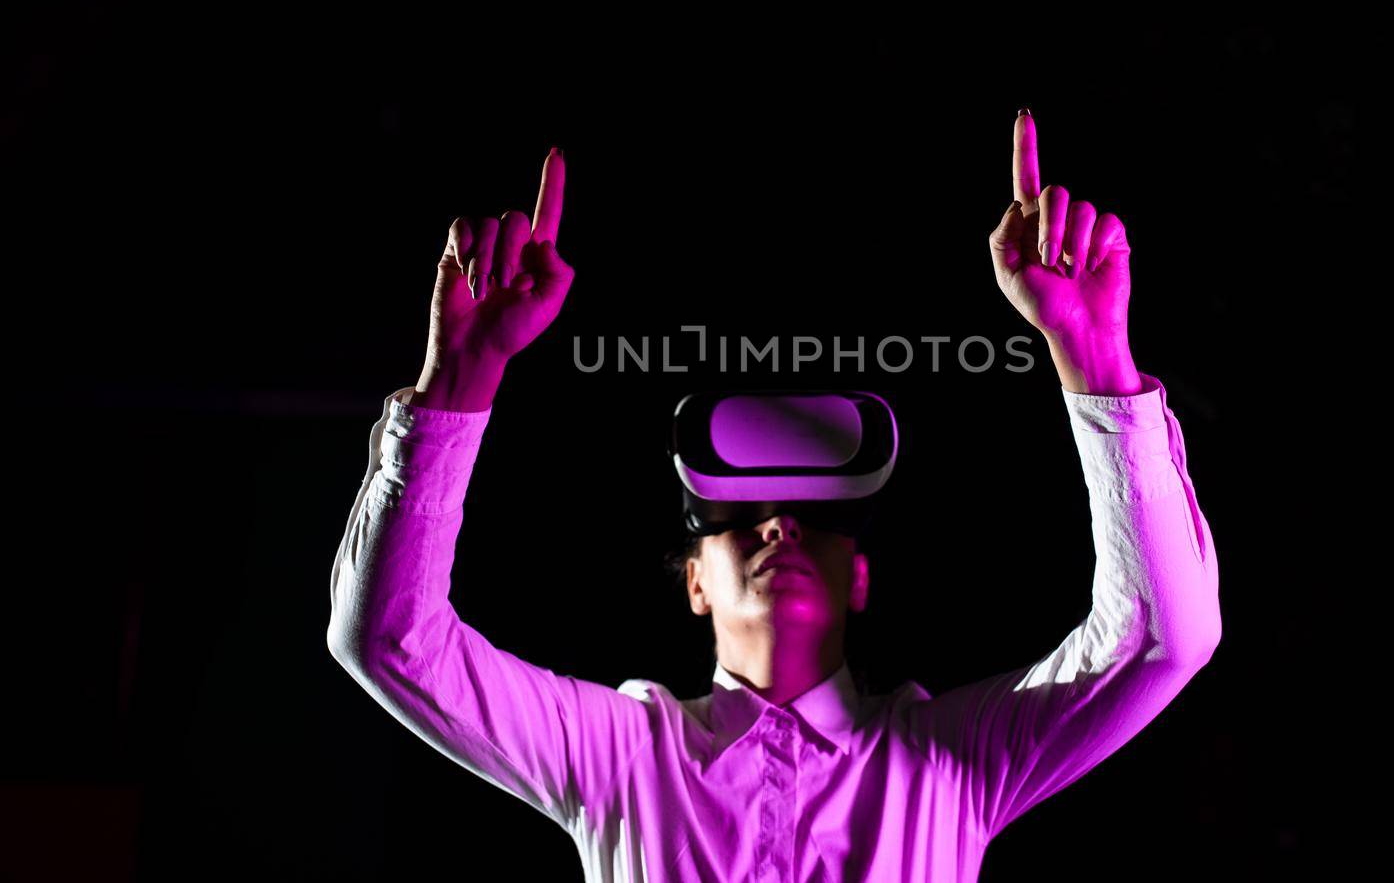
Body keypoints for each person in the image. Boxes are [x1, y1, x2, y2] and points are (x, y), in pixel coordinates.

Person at [326, 110, 1223, 882]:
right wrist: (459, 377)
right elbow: (391, 641)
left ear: (861, 578)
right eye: (731, 517)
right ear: (692, 584)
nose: (779, 521)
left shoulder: (954, 761)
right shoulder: (620, 759)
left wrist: (1098, 360)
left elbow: (1162, 641)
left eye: (819, 513)